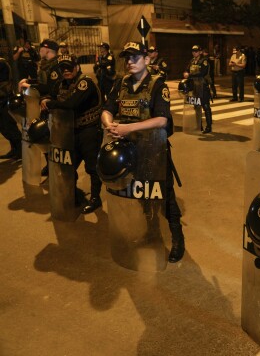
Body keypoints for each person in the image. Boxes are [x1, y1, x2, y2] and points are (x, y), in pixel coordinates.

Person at [101, 41, 184, 263]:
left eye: (135, 57)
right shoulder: (121, 83)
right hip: (130, 152)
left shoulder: (158, 85)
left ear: (147, 60)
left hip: (154, 150)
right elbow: (107, 108)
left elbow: (161, 119)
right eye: (127, 58)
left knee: (165, 196)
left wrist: (128, 128)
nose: (129, 62)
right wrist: (110, 124)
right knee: (142, 195)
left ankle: (177, 239)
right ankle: (151, 231)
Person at [41, 54, 103, 214]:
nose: (66, 70)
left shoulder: (85, 82)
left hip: (89, 131)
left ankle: (96, 198)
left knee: (92, 168)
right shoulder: (62, 83)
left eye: (69, 67)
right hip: (70, 132)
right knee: (67, 165)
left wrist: (50, 103)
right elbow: (50, 92)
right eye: (63, 68)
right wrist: (46, 98)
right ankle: (72, 195)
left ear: (77, 67)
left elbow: (71, 104)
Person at [19, 39, 63, 176]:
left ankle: (56, 166)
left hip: (52, 106)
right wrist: (29, 81)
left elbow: (51, 87)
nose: (39, 51)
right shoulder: (46, 65)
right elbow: (43, 81)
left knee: (52, 137)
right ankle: (49, 165)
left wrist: (30, 86)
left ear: (47, 50)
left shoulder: (56, 66)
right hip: (43, 104)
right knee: (43, 135)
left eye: (41, 49)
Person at [183, 45, 212, 133]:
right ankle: (199, 125)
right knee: (196, 106)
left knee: (206, 106)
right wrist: (185, 73)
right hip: (194, 86)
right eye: (193, 51)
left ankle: (209, 126)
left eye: (196, 51)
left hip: (202, 86)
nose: (194, 53)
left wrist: (190, 75)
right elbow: (187, 69)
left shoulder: (204, 61)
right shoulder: (192, 61)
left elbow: (202, 73)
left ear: (200, 52)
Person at [0, 55, 21, 159]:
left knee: (9, 126)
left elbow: (4, 83)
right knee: (3, 127)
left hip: (4, 99)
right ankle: (14, 149)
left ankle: (20, 150)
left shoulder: (2, 64)